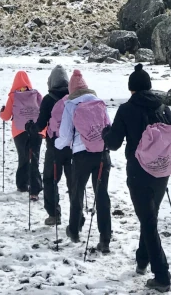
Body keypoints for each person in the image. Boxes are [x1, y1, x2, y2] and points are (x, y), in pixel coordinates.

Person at [103, 64, 171, 293]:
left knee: (148, 221)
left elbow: (113, 143)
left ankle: (162, 276)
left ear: (131, 89)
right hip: (162, 171)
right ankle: (142, 260)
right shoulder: (164, 108)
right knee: (149, 217)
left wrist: (106, 133)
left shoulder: (127, 109)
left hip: (139, 173)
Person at [55, 70, 112, 252]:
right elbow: (109, 127)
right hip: (102, 153)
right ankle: (105, 238)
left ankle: (74, 230)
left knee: (77, 191)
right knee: (102, 195)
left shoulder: (71, 104)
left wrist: (57, 144)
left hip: (81, 155)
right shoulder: (99, 102)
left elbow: (65, 134)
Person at [31, 65, 72, 226]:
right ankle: (76, 218)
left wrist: (31, 128)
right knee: (74, 183)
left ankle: (54, 214)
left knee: (50, 179)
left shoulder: (49, 99)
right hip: (73, 146)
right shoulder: (74, 97)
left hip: (54, 147)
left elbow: (41, 124)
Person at [0, 71, 43, 200]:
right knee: (34, 157)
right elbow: (43, 112)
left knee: (23, 157)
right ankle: (36, 185)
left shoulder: (13, 96)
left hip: (19, 132)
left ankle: (22, 184)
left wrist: (2, 112)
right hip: (36, 130)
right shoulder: (36, 94)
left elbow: (6, 116)